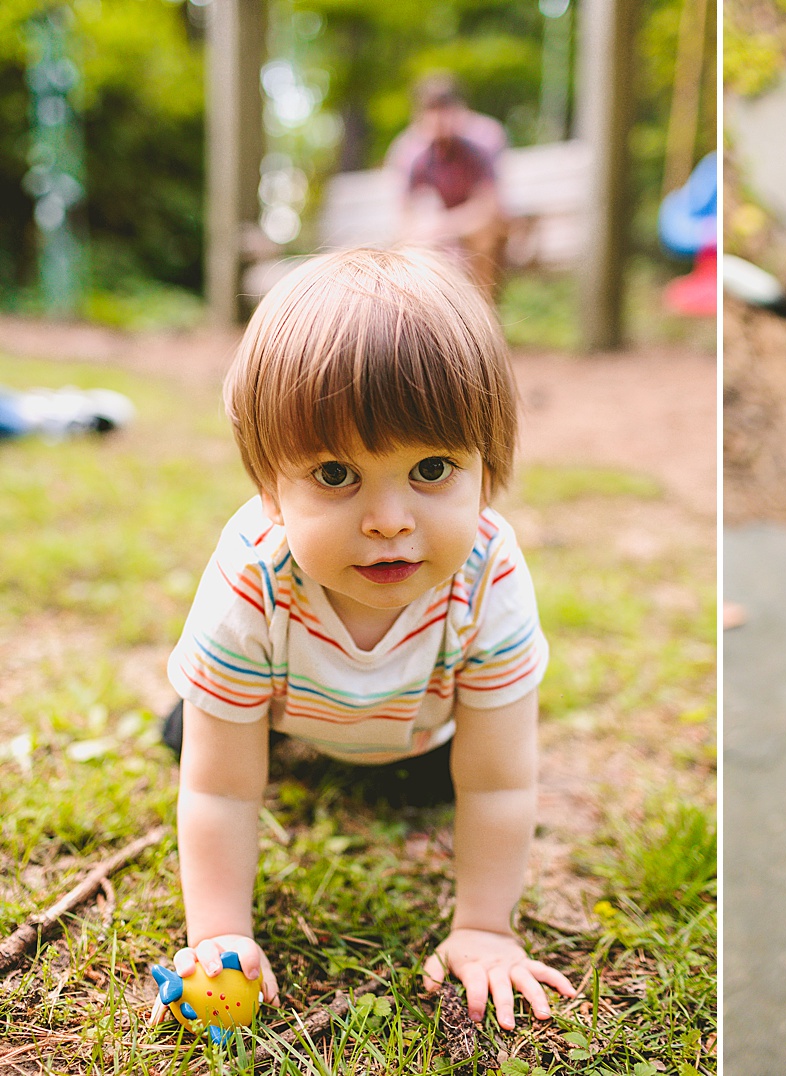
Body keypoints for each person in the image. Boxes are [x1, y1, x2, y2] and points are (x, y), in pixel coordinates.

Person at [151, 248, 576, 1030]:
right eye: (337, 475)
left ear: (489, 467)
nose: (388, 519)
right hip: (284, 710)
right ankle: (232, 719)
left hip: (419, 732)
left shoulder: (488, 573)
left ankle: (382, 763)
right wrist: (220, 936)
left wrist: (483, 928)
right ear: (268, 487)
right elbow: (221, 790)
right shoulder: (255, 573)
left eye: (433, 467)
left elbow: (499, 783)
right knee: (202, 739)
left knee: (443, 783)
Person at [395, 74, 508, 299]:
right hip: (444, 230)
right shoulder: (418, 156)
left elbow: (489, 208)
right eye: (432, 111)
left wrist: (444, 226)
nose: (439, 120)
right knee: (413, 247)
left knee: (483, 239)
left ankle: (482, 310)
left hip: (476, 229)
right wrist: (423, 232)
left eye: (445, 110)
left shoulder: (477, 150)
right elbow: (406, 215)